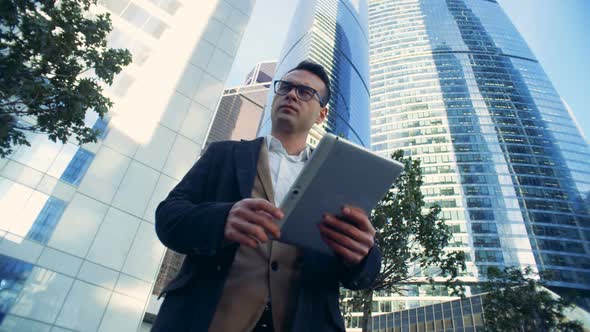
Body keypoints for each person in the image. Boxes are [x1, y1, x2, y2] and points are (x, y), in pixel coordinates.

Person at [153, 60, 381, 332]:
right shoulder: (224, 154)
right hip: (203, 319)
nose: (292, 94)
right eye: (286, 87)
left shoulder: (339, 180)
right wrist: (222, 219)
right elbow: (168, 218)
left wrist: (363, 256)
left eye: (305, 92)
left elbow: (362, 277)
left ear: (322, 114)